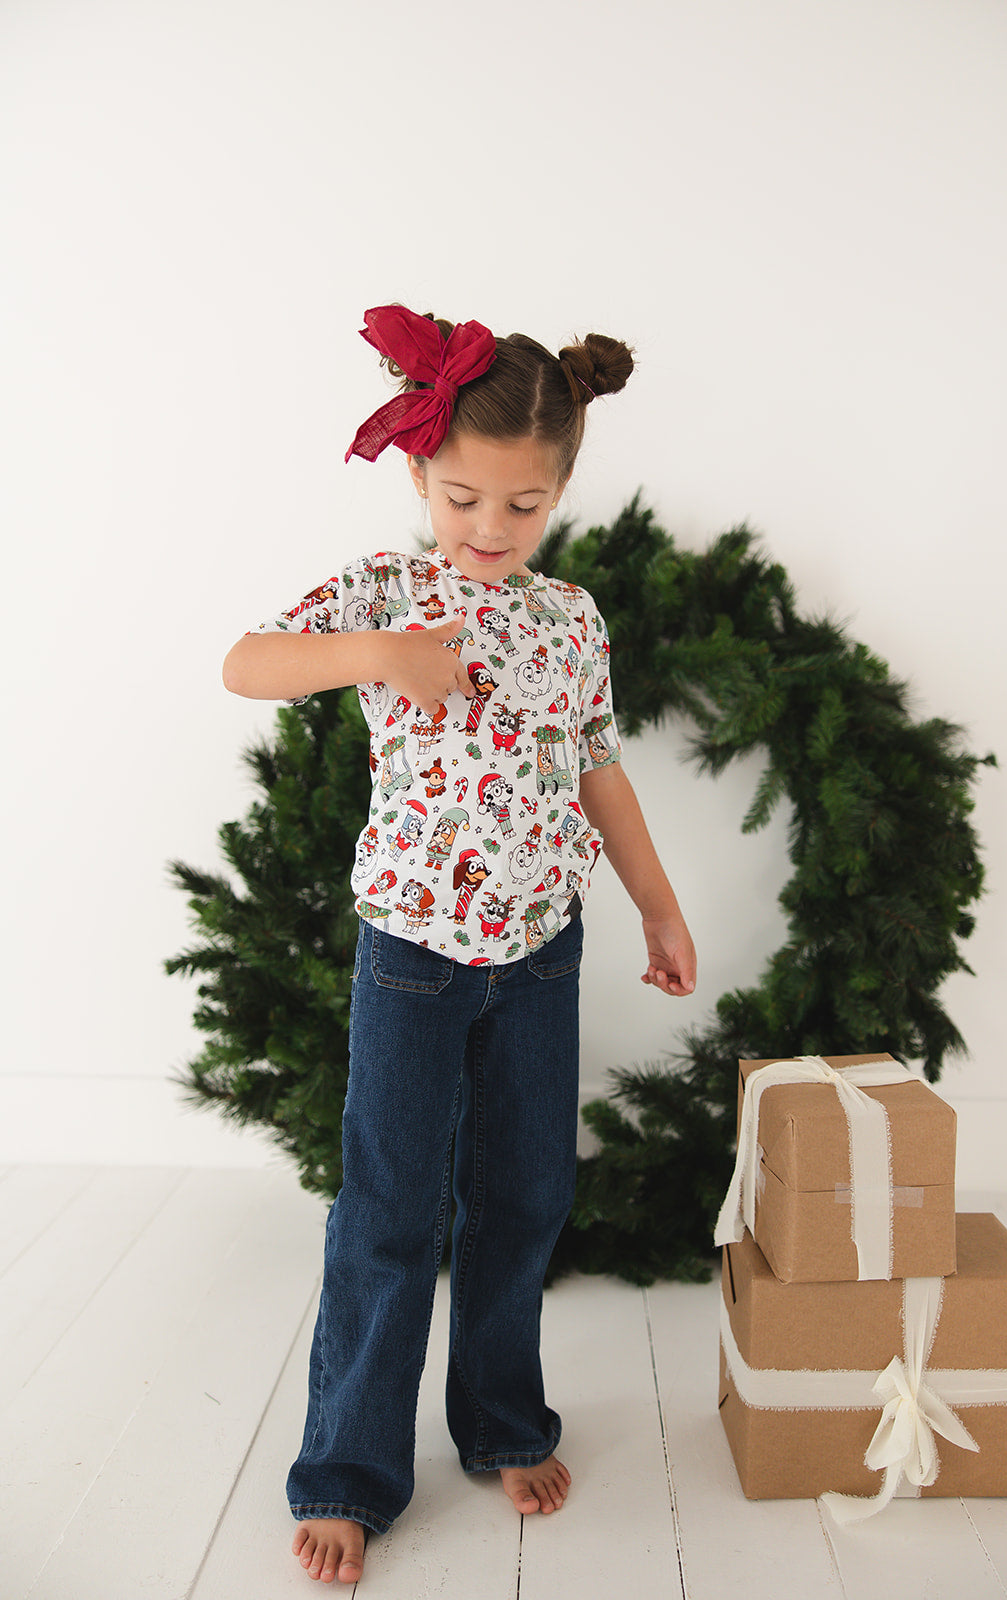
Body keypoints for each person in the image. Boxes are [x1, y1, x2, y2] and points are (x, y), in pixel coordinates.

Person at [223, 304, 697, 1586]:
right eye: (462, 498)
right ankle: (347, 1469)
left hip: (541, 951)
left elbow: (597, 768)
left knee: (526, 1194)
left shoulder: (568, 617)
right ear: (420, 476)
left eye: (523, 505)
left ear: (560, 492)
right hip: (413, 956)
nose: (489, 528)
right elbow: (246, 663)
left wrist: (655, 903)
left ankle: (498, 1418)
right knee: (389, 1210)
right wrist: (378, 654)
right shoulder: (385, 591)